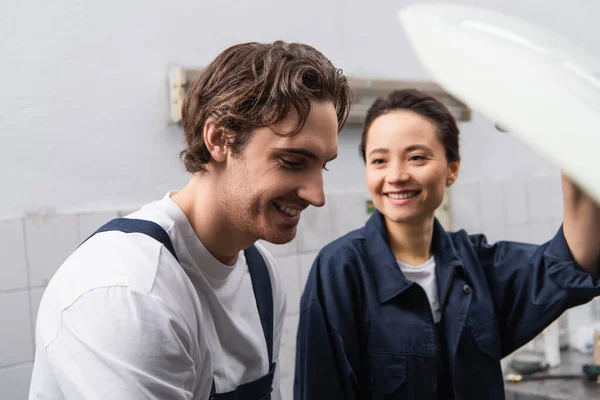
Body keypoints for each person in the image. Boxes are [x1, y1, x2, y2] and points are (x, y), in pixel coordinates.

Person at [29, 41, 352, 400]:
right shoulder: (131, 291)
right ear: (218, 140)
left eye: (323, 166)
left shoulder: (261, 272)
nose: (317, 195)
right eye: (293, 162)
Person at [294, 89, 600, 399]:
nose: (396, 175)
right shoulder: (340, 270)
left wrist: (571, 132)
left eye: (416, 157)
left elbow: (574, 260)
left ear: (451, 169)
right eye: (379, 161)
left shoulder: (478, 267)